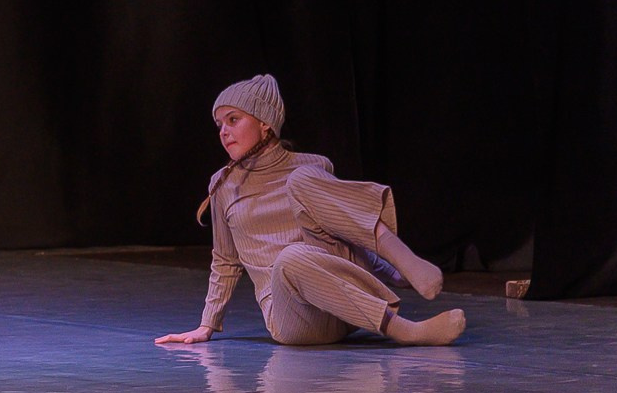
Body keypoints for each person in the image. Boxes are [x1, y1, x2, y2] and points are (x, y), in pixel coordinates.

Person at [157, 75, 466, 350]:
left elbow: (343, 234)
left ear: (265, 122)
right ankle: (404, 331)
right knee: (291, 258)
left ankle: (402, 258)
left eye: (233, 119)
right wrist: (206, 325)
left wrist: (392, 274)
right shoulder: (224, 186)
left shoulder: (312, 167)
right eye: (219, 125)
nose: (224, 131)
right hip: (296, 319)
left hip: (345, 299)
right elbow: (226, 261)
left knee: (302, 180)